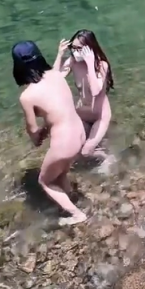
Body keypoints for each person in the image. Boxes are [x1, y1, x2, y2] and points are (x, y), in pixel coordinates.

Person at [12, 41, 87, 226]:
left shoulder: (27, 96)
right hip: (80, 133)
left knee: (45, 181)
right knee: (59, 174)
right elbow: (53, 80)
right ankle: (71, 196)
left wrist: (37, 137)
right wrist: (60, 54)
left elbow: (31, 128)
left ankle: (77, 215)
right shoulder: (56, 75)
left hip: (64, 144)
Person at [57, 29, 115, 161]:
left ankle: (107, 158)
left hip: (99, 116)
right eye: (73, 47)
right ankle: (98, 145)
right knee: (73, 147)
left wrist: (89, 63)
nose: (75, 51)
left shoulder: (101, 65)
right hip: (82, 113)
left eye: (79, 49)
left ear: (90, 49)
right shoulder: (73, 61)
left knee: (86, 151)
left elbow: (95, 91)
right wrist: (60, 55)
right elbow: (55, 79)